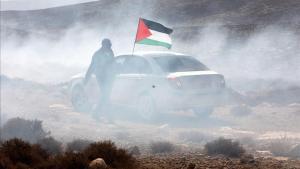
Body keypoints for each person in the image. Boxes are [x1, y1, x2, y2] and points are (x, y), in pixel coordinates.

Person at [84, 38, 115, 112]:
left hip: (109, 76)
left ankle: (97, 112)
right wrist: (86, 78)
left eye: (110, 45)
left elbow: (113, 63)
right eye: (108, 45)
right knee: (105, 94)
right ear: (104, 45)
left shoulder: (110, 52)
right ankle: (107, 114)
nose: (110, 47)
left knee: (106, 95)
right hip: (100, 76)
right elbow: (92, 66)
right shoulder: (97, 54)